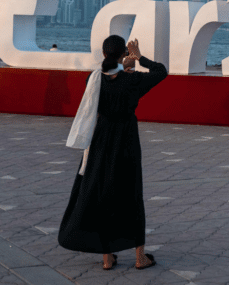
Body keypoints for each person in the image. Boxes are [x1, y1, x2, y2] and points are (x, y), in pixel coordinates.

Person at [58, 36, 167, 271]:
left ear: (103, 52)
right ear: (123, 54)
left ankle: (107, 258)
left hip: (100, 139)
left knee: (104, 192)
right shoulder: (133, 80)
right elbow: (161, 71)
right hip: (126, 139)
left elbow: (108, 75)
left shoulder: (94, 78)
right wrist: (138, 56)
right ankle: (140, 258)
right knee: (131, 193)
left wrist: (122, 66)